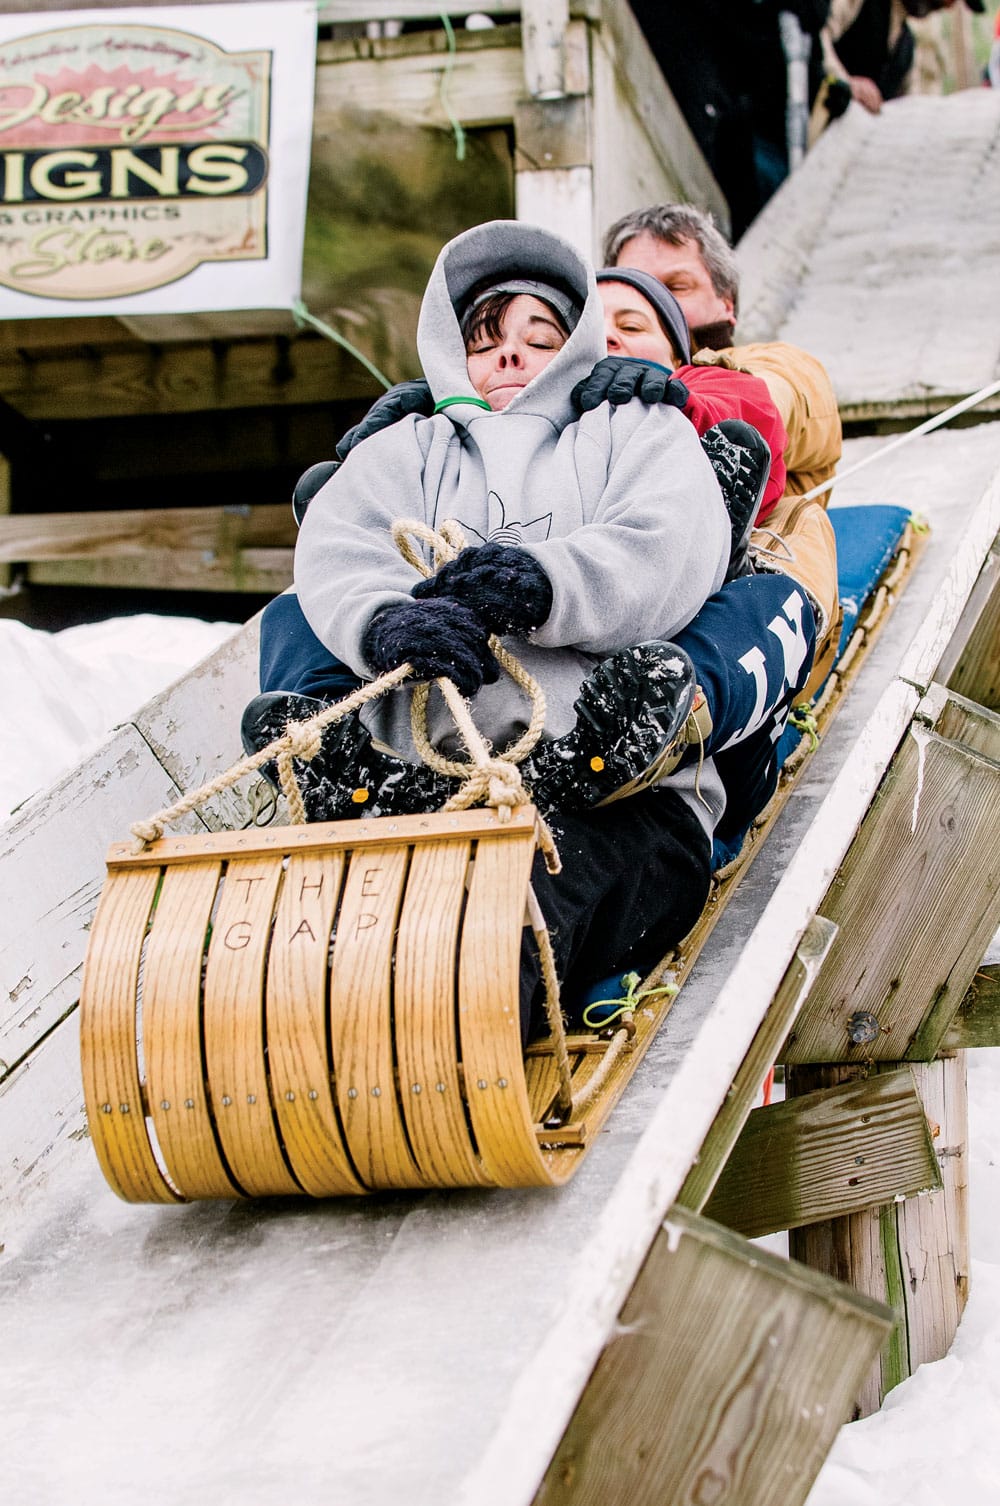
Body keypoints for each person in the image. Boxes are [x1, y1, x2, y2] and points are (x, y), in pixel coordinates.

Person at [256, 219, 733, 1041]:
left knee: (500, 941)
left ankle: (425, 1052)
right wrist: (386, 620)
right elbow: (337, 543)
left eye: (540, 335)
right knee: (315, 955)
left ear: (579, 344)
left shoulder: (634, 429)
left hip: (608, 797)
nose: (509, 354)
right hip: (428, 787)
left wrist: (544, 582)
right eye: (483, 339)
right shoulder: (409, 446)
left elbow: (672, 545)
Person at [250, 266, 818, 850]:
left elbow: (778, 406)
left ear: (688, 342)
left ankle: (649, 729)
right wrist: (440, 399)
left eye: (635, 323)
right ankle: (337, 754)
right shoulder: (443, 430)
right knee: (298, 606)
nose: (615, 340)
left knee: (772, 602)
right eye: (604, 324)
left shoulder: (713, 387)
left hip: (676, 616)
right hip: (460, 707)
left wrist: (685, 400)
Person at [601, 201, 842, 698]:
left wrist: (685, 402)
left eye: (676, 286)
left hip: (742, 605)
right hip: (614, 590)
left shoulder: (767, 364)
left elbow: (774, 405)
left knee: (802, 520)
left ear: (725, 302)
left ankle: (694, 702)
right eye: (633, 283)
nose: (653, 296)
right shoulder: (588, 376)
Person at [820, 0, 984, 115]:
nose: (949, 5)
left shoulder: (906, 47)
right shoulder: (859, 3)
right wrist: (844, 81)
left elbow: (908, 106)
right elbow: (816, 36)